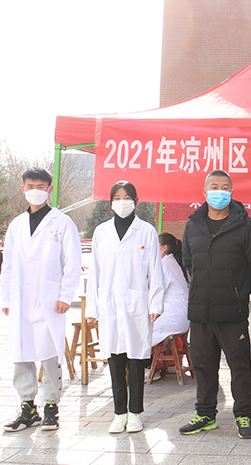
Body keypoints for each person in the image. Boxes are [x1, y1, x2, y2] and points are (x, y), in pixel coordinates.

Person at [179, 170, 251, 439]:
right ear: (204, 192)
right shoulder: (193, 225)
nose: (220, 191)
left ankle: (243, 415)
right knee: (204, 366)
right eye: (214, 186)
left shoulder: (245, 225)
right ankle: (206, 414)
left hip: (232, 312)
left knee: (239, 366)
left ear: (232, 191)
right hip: (200, 312)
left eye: (225, 187)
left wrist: (237, 293)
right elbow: (188, 262)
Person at [1, 168, 81, 432]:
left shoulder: (62, 223)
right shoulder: (16, 225)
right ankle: (27, 407)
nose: (35, 190)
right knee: (21, 353)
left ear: (49, 189)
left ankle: (51, 407)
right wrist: (6, 298)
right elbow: (8, 265)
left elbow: (72, 262)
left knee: (49, 353)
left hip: (49, 300)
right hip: (21, 299)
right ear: (23, 189)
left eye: (40, 186)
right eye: (30, 186)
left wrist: (66, 295)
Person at [86, 181, 165, 434]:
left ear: (136, 201)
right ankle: (119, 413)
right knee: (115, 360)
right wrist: (92, 309)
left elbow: (155, 269)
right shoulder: (101, 232)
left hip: (137, 305)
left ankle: (135, 413)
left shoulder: (146, 231)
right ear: (110, 203)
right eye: (117, 198)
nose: (122, 202)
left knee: (137, 360)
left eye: (127, 197)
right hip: (110, 305)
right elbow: (94, 272)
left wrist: (155, 303)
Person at [148, 233, 191, 381]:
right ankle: (169, 365)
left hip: (174, 317)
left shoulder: (164, 264)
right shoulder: (174, 262)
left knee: (142, 328)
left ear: (163, 248)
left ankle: (148, 368)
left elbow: (157, 292)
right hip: (181, 316)